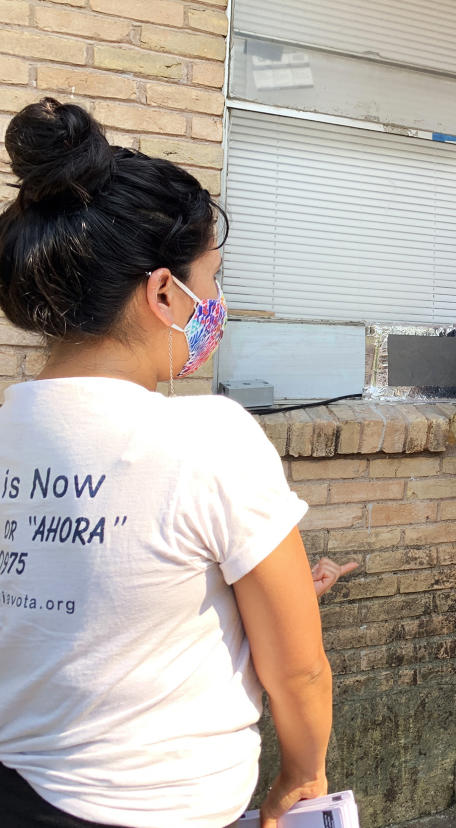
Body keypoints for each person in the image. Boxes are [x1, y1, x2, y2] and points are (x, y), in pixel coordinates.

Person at [0, 99, 332, 828]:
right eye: (209, 280)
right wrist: (302, 777)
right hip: (161, 809)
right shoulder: (210, 437)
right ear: (161, 292)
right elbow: (298, 669)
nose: (215, 303)